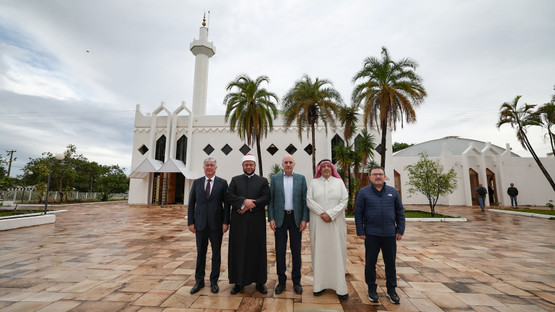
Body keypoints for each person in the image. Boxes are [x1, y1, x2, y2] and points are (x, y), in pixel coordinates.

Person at [355, 166, 405, 304]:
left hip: (389, 234)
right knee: (370, 263)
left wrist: (400, 230)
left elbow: (400, 212)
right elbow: (358, 213)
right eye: (375, 174)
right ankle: (372, 289)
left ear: (384, 176)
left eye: (380, 174)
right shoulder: (364, 193)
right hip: (371, 234)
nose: (378, 176)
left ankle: (391, 290)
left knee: (390, 263)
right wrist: (360, 230)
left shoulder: (393, 192)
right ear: (370, 177)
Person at [225, 154, 271, 295]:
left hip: (256, 223)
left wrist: (252, 204)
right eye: (246, 165)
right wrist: (243, 201)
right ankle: (238, 282)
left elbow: (267, 197)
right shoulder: (235, 180)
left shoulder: (262, 181)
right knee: (239, 250)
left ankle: (260, 282)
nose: (249, 167)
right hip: (239, 223)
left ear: (255, 166)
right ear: (243, 166)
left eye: (251, 164)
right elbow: (228, 195)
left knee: (257, 250)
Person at [307, 159, 349, 300]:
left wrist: (331, 214)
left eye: (328, 166)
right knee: (319, 252)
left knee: (337, 252)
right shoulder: (314, 183)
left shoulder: (339, 182)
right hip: (318, 224)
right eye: (323, 166)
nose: (326, 168)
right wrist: (322, 213)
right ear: (319, 169)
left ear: (332, 169)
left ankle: (340, 287)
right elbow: (309, 200)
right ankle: (319, 285)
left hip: (336, 224)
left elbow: (344, 200)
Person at [188, 157, 230, 294]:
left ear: (216, 167)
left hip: (216, 225)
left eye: (212, 165)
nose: (210, 167)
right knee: (201, 254)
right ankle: (199, 281)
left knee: (216, 254)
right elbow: (191, 203)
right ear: (204, 167)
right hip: (200, 225)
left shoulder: (223, 183)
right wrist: (191, 222)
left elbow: (227, 205)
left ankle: (214, 281)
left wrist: (226, 222)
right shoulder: (197, 183)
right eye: (207, 165)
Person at [268, 154, 309, 295]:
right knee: (280, 251)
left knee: (296, 251)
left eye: (290, 162)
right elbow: (271, 200)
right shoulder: (275, 179)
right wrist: (271, 218)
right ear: (282, 165)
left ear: (294, 164)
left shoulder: (301, 179)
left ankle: (296, 281)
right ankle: (282, 281)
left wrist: (304, 219)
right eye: (286, 162)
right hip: (280, 218)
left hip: (296, 219)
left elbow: (305, 201)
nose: (288, 164)